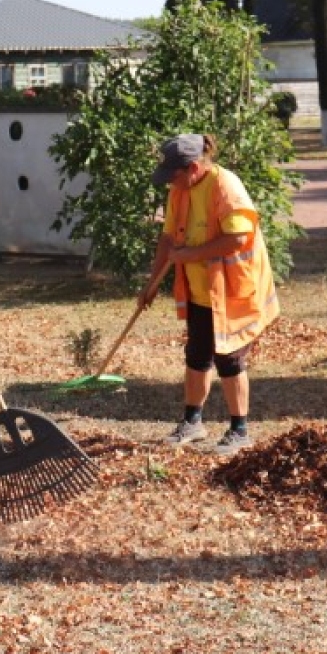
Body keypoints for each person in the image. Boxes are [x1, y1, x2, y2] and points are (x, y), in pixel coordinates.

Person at [139, 133, 279, 455]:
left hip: (234, 290)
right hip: (201, 290)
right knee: (196, 355)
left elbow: (237, 239)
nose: (170, 183)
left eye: (174, 175)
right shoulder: (180, 191)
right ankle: (192, 422)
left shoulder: (225, 186)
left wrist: (190, 255)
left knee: (229, 358)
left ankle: (239, 430)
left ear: (192, 167)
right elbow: (167, 239)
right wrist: (151, 284)